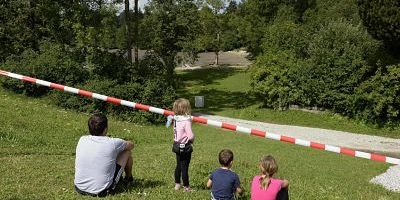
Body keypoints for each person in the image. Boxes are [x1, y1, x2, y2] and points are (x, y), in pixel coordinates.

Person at [74, 113, 134, 197]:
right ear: (105, 129)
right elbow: (131, 145)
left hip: (79, 187)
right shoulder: (113, 142)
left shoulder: (82, 139)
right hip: (101, 191)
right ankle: (129, 178)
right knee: (126, 152)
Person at [167, 98, 195, 192]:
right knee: (184, 167)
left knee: (178, 165)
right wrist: (192, 140)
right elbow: (190, 135)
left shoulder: (176, 120)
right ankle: (186, 187)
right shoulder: (186, 121)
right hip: (185, 146)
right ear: (186, 109)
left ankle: (177, 184)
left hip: (176, 145)